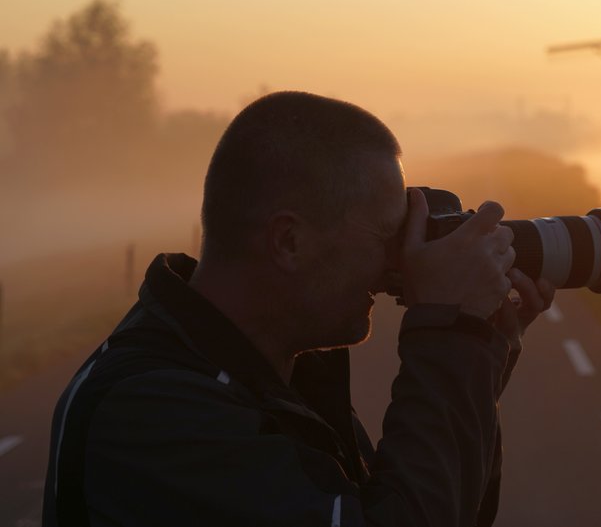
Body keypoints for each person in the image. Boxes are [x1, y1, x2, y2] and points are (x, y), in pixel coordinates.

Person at [43, 91, 555, 526]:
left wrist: (480, 353)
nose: (393, 265)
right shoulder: (153, 412)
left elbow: (431, 509)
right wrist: (451, 335)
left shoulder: (275, 370)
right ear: (289, 241)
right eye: (386, 237)